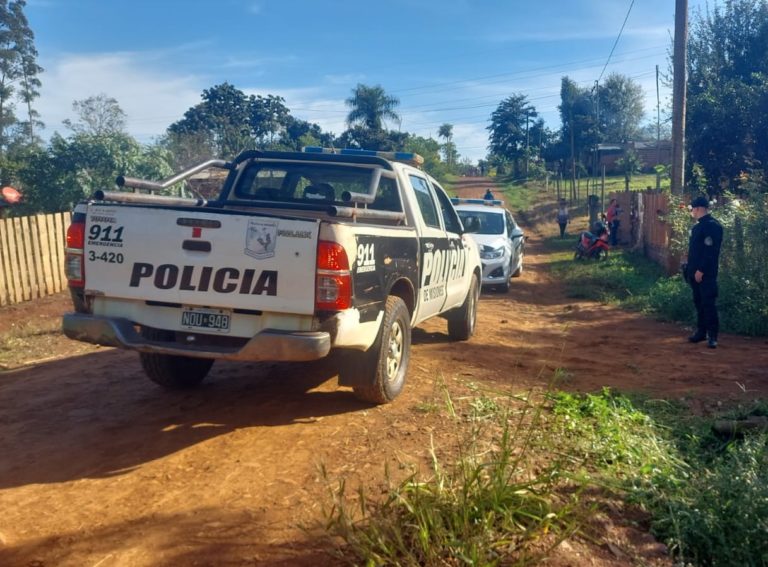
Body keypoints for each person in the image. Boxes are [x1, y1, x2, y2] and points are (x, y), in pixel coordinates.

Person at [685, 195, 723, 349]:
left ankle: (712, 336)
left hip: (705, 273)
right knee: (699, 303)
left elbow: (710, 251)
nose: (691, 212)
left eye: (692, 209)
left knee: (708, 303)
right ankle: (701, 332)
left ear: (699, 208)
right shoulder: (697, 226)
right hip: (694, 272)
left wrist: (701, 270)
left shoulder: (712, 226)